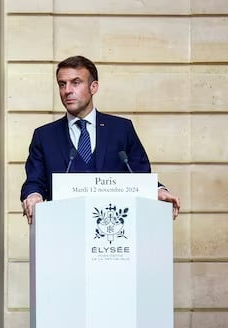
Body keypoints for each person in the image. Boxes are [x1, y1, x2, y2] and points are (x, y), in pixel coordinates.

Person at [20, 55, 181, 224]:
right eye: (62, 84)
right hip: (64, 228)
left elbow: (139, 175)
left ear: (93, 87)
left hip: (113, 228)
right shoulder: (44, 136)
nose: (67, 90)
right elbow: (34, 182)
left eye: (76, 82)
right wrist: (33, 196)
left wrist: (158, 190)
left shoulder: (121, 129)